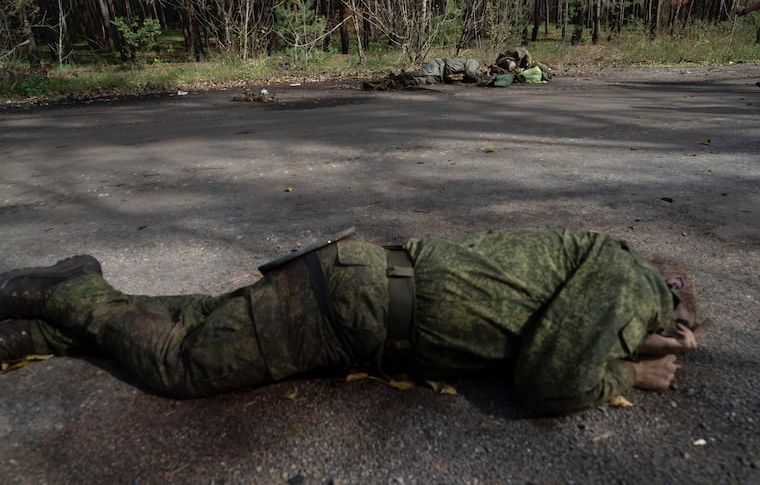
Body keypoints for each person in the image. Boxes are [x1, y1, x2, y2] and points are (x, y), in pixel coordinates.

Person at [0, 227, 710, 415]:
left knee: (203, 319)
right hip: (352, 308)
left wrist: (619, 345)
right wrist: (631, 369)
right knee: (184, 363)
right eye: (680, 324)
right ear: (672, 291)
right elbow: (550, 381)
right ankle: (70, 288)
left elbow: (561, 340)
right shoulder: (634, 279)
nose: (673, 335)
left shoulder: (601, 276)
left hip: (356, 297)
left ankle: (47, 330)